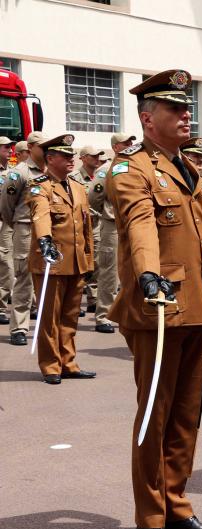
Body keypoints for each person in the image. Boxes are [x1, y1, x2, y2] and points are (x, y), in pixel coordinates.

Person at [107, 69, 202, 529]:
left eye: (186, 107)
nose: (185, 114)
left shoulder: (188, 168)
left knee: (186, 415)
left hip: (196, 304)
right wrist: (148, 274)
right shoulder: (128, 171)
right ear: (147, 118)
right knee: (154, 415)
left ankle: (176, 504)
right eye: (174, 109)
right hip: (159, 306)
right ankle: (149, 516)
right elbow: (140, 226)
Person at [27, 134, 95, 384]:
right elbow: (41, 216)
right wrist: (44, 240)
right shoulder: (40, 187)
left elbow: (85, 228)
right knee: (50, 319)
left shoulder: (77, 187)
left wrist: (89, 260)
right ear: (50, 158)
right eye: (65, 156)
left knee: (70, 317)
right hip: (51, 264)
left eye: (71, 155)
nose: (71, 159)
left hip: (76, 263)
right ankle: (51, 365)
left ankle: (69, 362)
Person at [0, 131, 47, 346]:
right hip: (26, 229)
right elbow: (6, 206)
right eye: (42, 146)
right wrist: (17, 223)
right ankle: (19, 326)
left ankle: (47, 324)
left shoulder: (52, 170)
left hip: (50, 231)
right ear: (30, 148)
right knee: (24, 277)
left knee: (50, 277)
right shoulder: (19, 173)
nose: (46, 150)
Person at [86, 133, 136, 334]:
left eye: (131, 143)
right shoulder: (104, 170)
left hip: (132, 225)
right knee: (109, 272)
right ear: (115, 147)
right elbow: (94, 197)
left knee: (132, 271)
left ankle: (128, 313)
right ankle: (104, 316)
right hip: (113, 226)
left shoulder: (133, 167)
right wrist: (105, 214)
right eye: (126, 143)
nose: (130, 146)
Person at [71, 145, 105, 314]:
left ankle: (93, 299)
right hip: (79, 225)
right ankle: (76, 301)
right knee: (79, 263)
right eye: (93, 156)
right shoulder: (74, 177)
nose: (97, 158)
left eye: (98, 155)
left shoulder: (101, 176)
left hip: (97, 225)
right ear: (83, 158)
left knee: (96, 262)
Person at [0, 136, 15, 326]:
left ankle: (1, 307)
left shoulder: (12, 173)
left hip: (6, 223)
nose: (10, 150)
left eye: (11, 147)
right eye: (6, 147)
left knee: (6, 264)